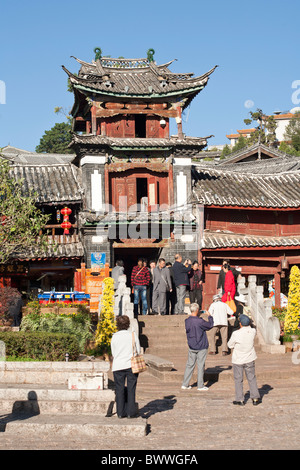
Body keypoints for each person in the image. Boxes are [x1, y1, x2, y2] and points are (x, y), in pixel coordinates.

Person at [227, 314, 261, 406]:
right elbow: (252, 327)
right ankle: (255, 398)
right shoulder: (253, 331)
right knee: (251, 378)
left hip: (238, 359)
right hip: (249, 357)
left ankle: (240, 399)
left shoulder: (236, 333)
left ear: (240, 323)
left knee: (238, 379)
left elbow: (230, 345)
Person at [111, 315, 141, 418]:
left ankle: (120, 412)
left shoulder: (114, 336)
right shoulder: (132, 335)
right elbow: (138, 349)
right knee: (131, 389)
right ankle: (131, 412)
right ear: (128, 324)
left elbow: (113, 352)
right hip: (131, 365)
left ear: (117, 325)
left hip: (118, 365)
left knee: (119, 389)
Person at [181, 303, 213, 391]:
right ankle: (200, 385)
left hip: (192, 345)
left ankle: (185, 384)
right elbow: (210, 325)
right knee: (200, 365)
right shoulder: (200, 321)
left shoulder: (187, 321)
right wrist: (209, 316)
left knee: (189, 365)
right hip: (201, 345)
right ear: (197, 310)